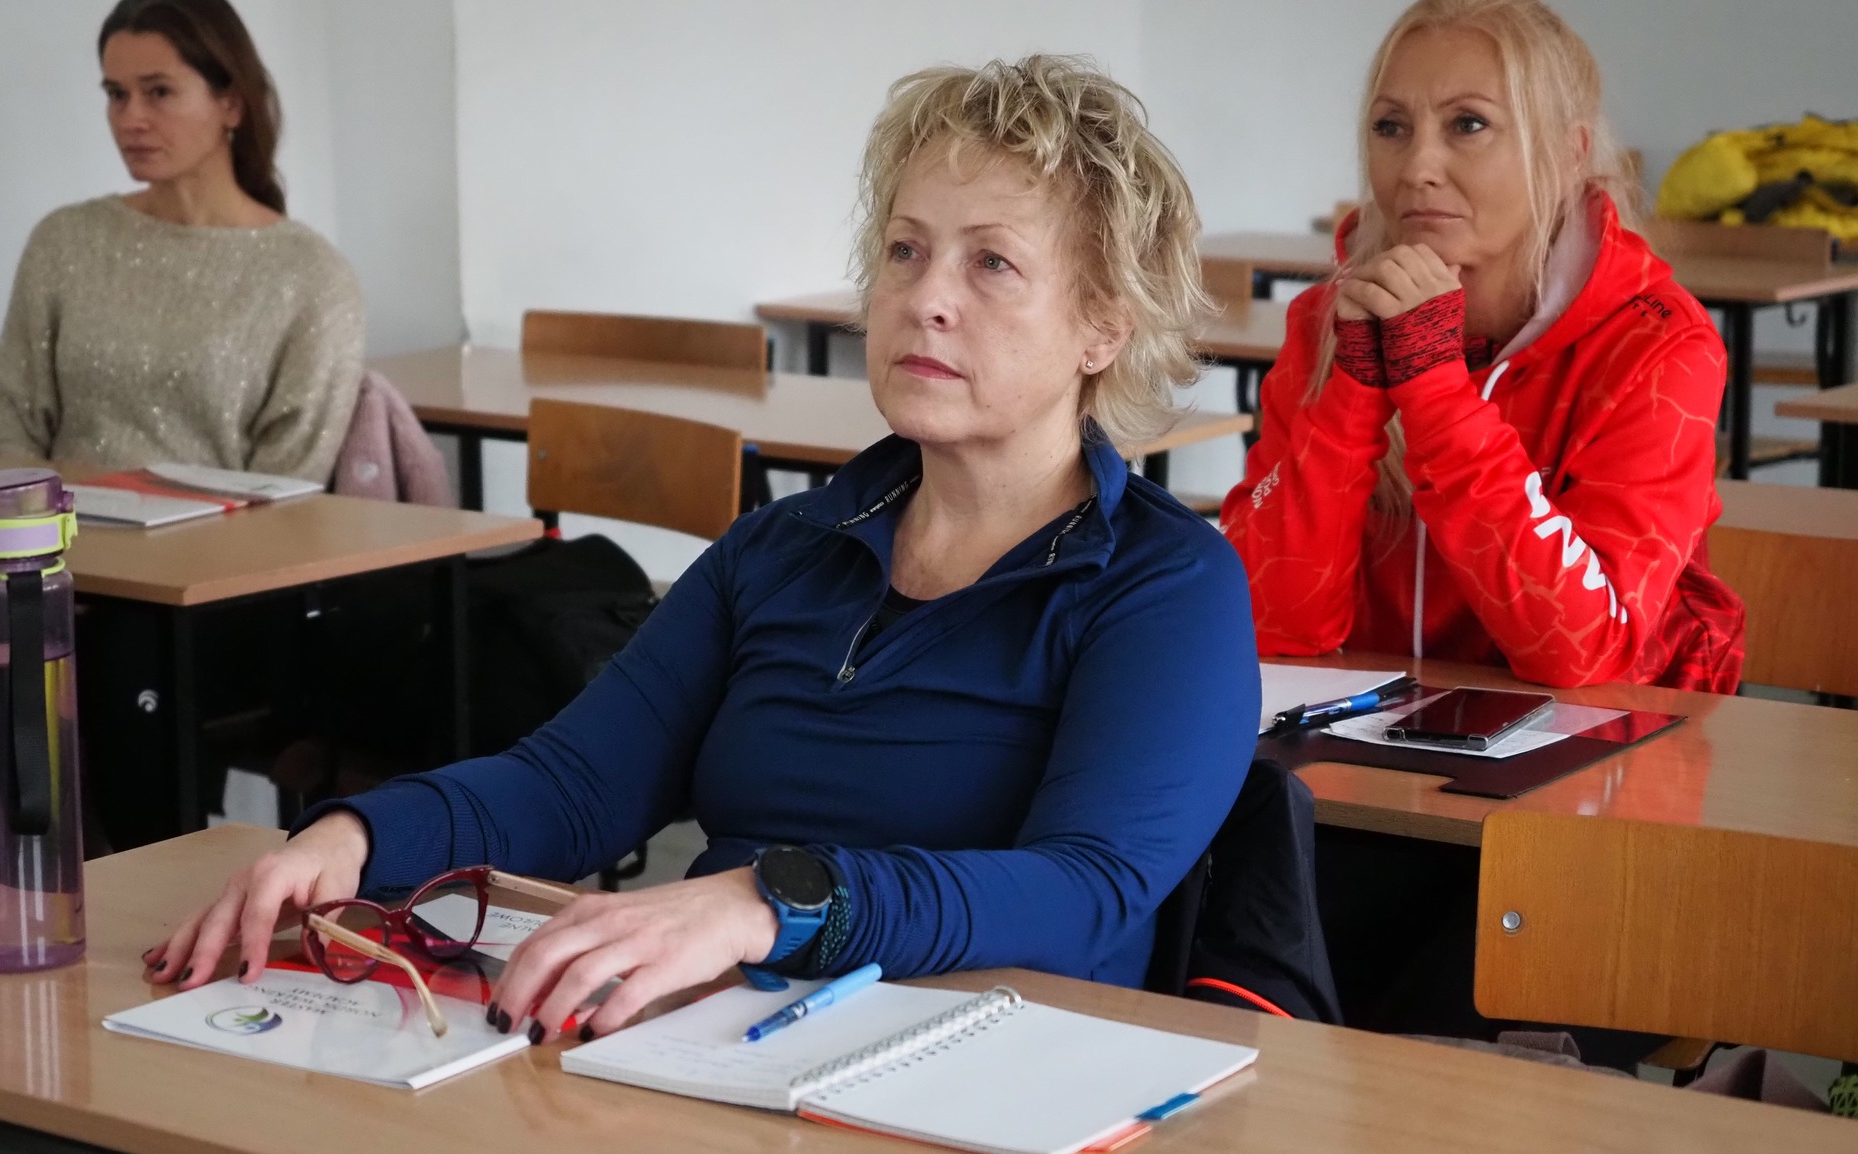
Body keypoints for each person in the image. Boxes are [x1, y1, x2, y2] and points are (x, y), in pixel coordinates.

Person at [146, 56, 1260, 1043]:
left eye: (991, 265)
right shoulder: (782, 548)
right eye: (904, 249)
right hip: (717, 1042)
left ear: (1102, 325)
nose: (925, 298)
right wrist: (355, 836)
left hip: (992, 1063)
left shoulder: (1166, 584)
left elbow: (1082, 889)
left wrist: (769, 900)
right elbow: (574, 785)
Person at [1221, 0, 1743, 694]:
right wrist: (1354, 390)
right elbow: (1268, 624)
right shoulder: (1329, 324)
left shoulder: (1659, 345)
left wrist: (1433, 385)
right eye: (1391, 127)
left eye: (1468, 124)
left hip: (1600, 744)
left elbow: (1583, 653)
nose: (1417, 167)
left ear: (1568, 153)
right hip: (1364, 737)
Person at [0, 0, 362, 483]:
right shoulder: (65, 241)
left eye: (158, 92)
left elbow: (288, 481)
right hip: (59, 526)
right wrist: (37, 519)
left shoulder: (311, 276)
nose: (130, 119)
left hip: (233, 532)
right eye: (117, 94)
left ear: (231, 104)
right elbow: (11, 421)